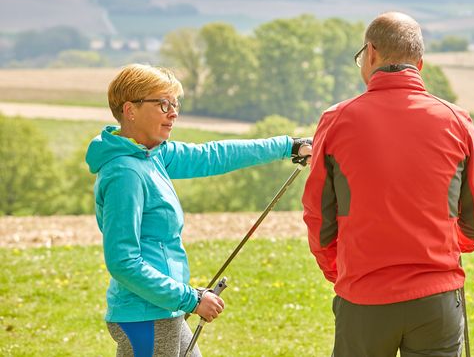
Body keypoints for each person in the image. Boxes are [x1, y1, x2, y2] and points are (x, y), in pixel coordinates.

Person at [85, 63, 311, 357]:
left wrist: (288, 146)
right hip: (144, 315)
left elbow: (215, 155)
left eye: (175, 104)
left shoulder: (153, 155)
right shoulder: (124, 173)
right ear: (130, 110)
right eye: (163, 104)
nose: (173, 112)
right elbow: (123, 261)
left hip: (163, 310)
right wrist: (190, 298)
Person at [302, 12, 474, 357]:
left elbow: (318, 215)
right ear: (419, 63)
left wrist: (340, 270)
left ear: (371, 54)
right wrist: (446, 250)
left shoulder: (337, 120)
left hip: (363, 295)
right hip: (437, 296)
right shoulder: (457, 120)